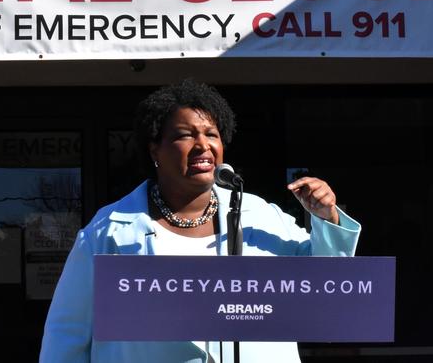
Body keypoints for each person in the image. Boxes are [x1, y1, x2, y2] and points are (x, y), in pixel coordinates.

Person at [40, 80, 361, 363]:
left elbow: (325, 294)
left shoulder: (262, 217)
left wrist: (325, 220)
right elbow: (67, 332)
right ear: (155, 148)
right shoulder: (107, 229)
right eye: (185, 135)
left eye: (211, 134)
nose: (203, 145)